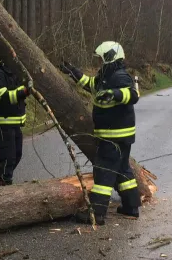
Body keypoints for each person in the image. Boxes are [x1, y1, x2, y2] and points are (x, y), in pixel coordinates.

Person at [60, 41, 140, 225]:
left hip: (114, 136)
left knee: (103, 172)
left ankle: (97, 214)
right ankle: (131, 207)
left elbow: (132, 95)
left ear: (110, 57)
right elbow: (90, 84)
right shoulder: (107, 75)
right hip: (119, 136)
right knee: (122, 170)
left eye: (101, 59)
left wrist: (114, 94)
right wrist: (73, 71)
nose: (99, 62)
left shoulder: (120, 76)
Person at [0, 54, 29, 186]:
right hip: (3, 123)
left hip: (14, 123)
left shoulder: (13, 73)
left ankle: (3, 177)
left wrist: (26, 88)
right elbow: (3, 97)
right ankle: (4, 182)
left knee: (17, 154)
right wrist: (25, 92)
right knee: (8, 157)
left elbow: (19, 89)